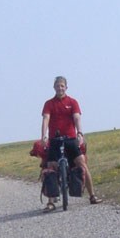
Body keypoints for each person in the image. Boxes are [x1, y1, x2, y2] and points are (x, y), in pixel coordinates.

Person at [40, 75, 101, 211]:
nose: (60, 88)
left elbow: (77, 117)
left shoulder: (72, 102)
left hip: (70, 139)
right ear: (54, 87)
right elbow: (46, 118)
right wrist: (43, 136)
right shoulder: (49, 103)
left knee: (82, 164)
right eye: (57, 86)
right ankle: (50, 202)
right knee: (51, 168)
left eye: (62, 86)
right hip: (55, 140)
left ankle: (92, 196)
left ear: (66, 87)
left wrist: (79, 133)